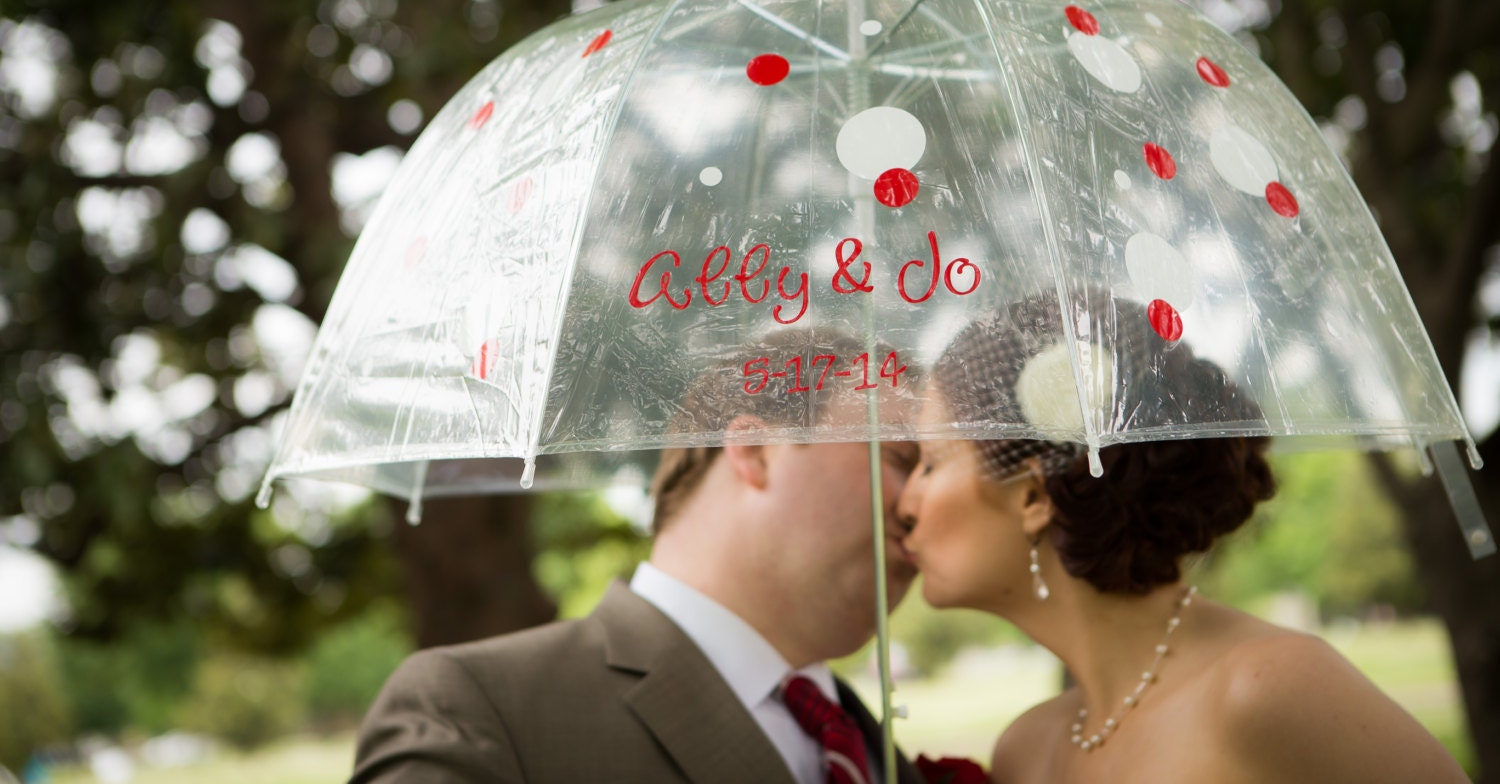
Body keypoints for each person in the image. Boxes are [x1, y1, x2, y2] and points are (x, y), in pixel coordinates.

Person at [895, 294, 1469, 784]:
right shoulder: (1024, 752)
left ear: (1034, 495)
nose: (905, 504)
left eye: (929, 463)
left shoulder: (1267, 689)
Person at [352, 329, 926, 784]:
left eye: (936, 469)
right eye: (903, 459)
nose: (924, 502)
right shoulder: (476, 708)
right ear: (757, 450)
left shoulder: (860, 737)